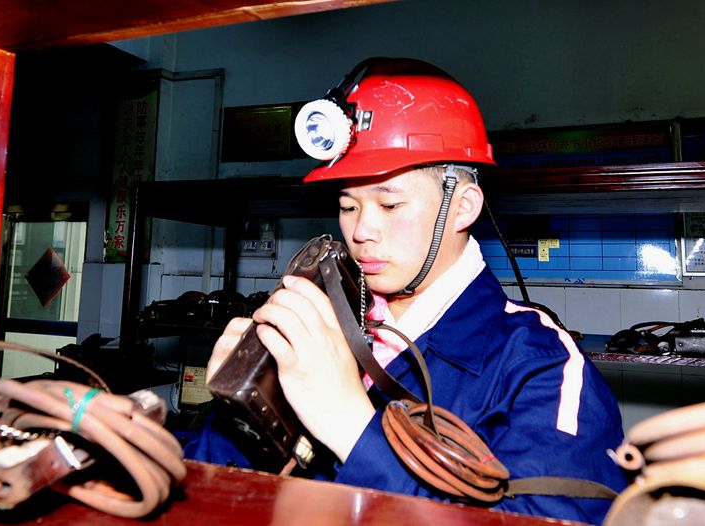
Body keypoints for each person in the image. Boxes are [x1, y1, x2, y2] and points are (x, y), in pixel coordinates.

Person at [187, 57, 627, 525]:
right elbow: (205, 491)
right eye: (348, 207)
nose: (361, 231)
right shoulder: (323, 328)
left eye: (390, 205)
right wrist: (243, 414)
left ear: (462, 207)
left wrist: (352, 427)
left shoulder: (541, 365)